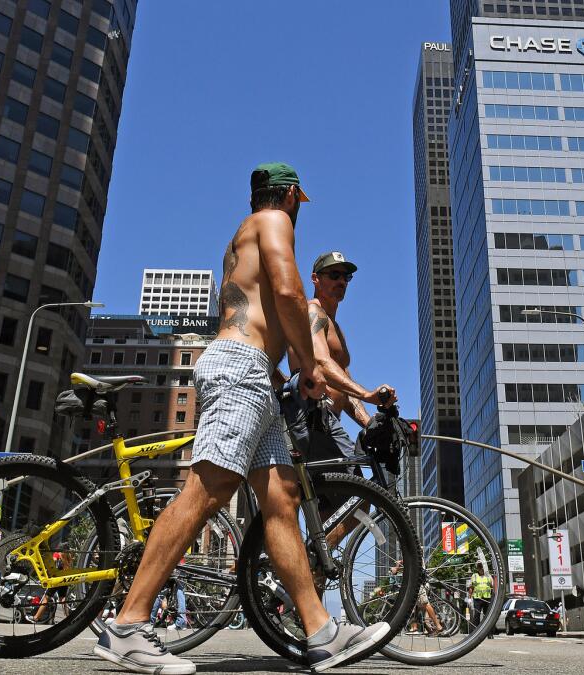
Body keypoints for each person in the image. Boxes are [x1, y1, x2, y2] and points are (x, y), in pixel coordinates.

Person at [96, 163, 385, 675]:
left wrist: (286, 367)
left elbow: (256, 308)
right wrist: (308, 364)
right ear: (292, 194)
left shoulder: (241, 237)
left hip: (255, 375)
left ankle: (320, 632)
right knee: (207, 488)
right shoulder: (274, 220)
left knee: (281, 498)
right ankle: (128, 625)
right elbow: (290, 294)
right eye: (299, 200)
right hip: (241, 369)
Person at [287, 251, 395, 548]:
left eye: (345, 276)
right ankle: (311, 567)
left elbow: (344, 390)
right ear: (315, 279)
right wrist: (368, 394)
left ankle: (307, 574)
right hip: (310, 414)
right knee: (359, 494)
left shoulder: (335, 326)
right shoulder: (313, 313)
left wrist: (369, 420)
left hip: (325, 420)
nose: (341, 281)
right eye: (333, 275)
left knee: (335, 508)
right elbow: (320, 363)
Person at [468, 563, 494, 638]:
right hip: (477, 598)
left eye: (482, 567)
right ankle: (475, 633)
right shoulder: (474, 576)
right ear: (477, 568)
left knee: (487, 616)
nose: (481, 569)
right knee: (477, 615)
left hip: (487, 598)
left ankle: (490, 633)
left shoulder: (488, 576)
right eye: (479, 567)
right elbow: (471, 588)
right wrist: (469, 598)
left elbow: (493, 586)